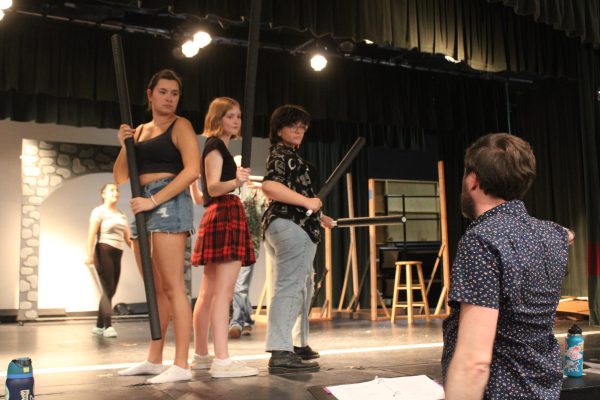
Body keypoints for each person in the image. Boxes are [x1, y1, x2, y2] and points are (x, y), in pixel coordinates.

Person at [442, 133, 574, 400]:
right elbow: (568, 234)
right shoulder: (553, 234)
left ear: (474, 180)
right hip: (543, 391)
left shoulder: (481, 241)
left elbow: (475, 361)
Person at [113, 69, 200, 384]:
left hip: (167, 202)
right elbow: (120, 177)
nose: (169, 98)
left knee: (174, 286)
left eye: (174, 93)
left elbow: (192, 171)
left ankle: (181, 365)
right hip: (140, 204)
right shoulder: (137, 132)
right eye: (163, 92)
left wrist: (154, 200)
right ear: (149, 95)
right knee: (156, 289)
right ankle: (154, 359)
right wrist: (125, 144)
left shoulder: (181, 125)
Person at [261, 105, 335, 374]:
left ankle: (296, 343)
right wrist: (307, 201)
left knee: (303, 287)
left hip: (293, 224)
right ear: (279, 129)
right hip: (292, 227)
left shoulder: (291, 157)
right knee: (291, 286)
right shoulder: (282, 155)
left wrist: (320, 215)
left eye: (303, 126)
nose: (299, 130)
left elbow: (296, 197)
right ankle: (281, 350)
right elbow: (270, 186)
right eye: (293, 125)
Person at [189, 97, 259, 378]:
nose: (236, 121)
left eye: (239, 116)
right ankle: (222, 360)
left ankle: (203, 357)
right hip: (224, 213)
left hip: (217, 214)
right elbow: (216, 187)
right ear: (218, 118)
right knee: (221, 293)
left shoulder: (213, 147)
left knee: (208, 294)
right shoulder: (216, 146)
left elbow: (201, 194)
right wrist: (238, 180)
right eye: (230, 116)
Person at [85, 183, 132, 339]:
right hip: (103, 250)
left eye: (117, 190)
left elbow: (128, 238)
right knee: (108, 289)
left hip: (118, 253)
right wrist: (89, 254)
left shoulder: (121, 214)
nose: (116, 192)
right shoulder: (99, 211)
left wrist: (140, 252)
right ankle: (108, 326)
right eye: (112, 190)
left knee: (111, 290)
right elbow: (91, 234)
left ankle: (98, 325)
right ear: (103, 194)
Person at [228, 166, 267, 339]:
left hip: (250, 245)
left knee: (240, 286)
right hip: (230, 244)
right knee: (236, 287)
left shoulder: (256, 194)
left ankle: (236, 322)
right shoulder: (230, 192)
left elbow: (265, 212)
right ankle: (247, 320)